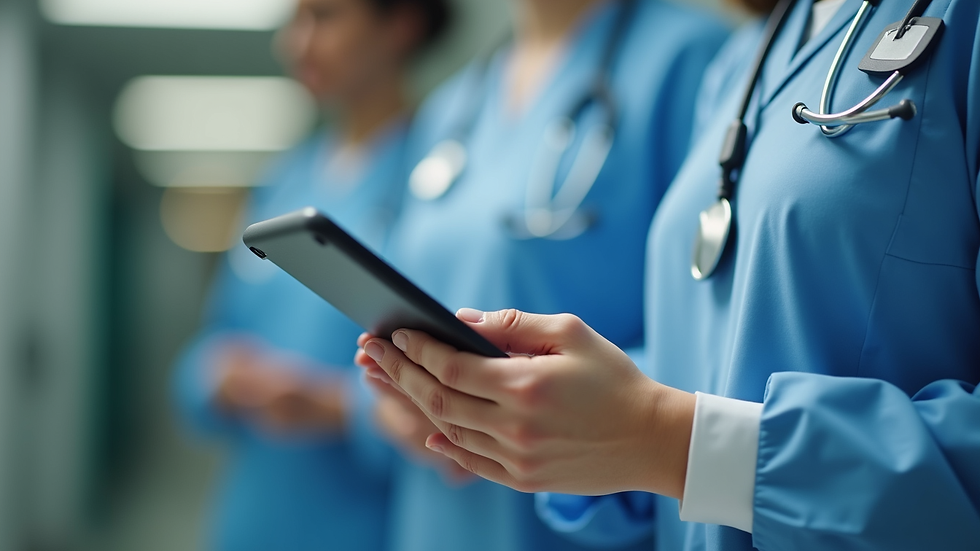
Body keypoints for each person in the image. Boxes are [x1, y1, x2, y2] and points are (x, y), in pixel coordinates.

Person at [356, 0, 980, 549]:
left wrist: (667, 438)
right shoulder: (749, 59)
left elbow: (686, 422)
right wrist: (541, 409)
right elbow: (709, 355)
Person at [360, 0, 728, 549]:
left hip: (581, 517)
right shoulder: (452, 106)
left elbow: (718, 327)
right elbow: (401, 290)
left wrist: (569, 406)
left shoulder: (696, 60)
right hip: (439, 512)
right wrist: (396, 398)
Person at [171, 0, 449, 549]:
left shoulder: (439, 179)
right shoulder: (282, 183)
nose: (295, 44)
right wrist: (216, 381)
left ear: (402, 25)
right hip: (252, 519)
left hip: (368, 525)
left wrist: (339, 407)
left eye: (323, 17)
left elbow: (460, 383)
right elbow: (206, 349)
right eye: (293, 22)